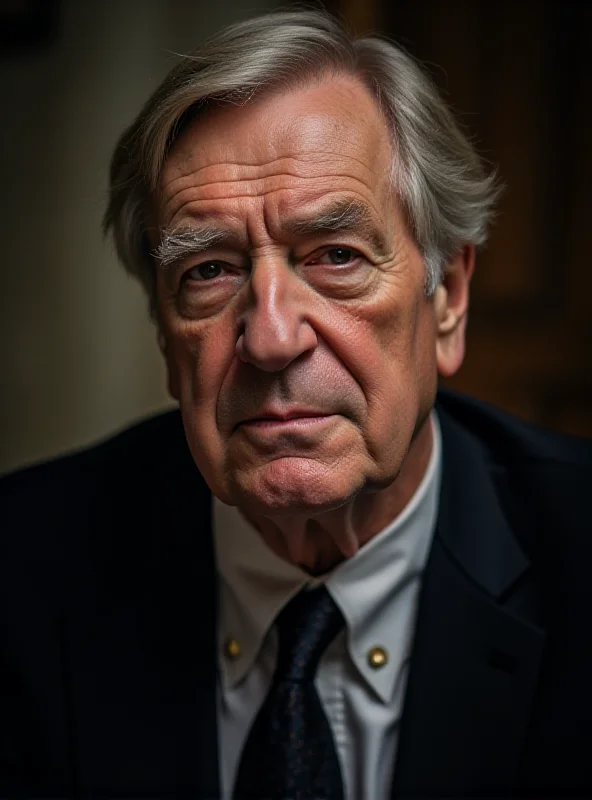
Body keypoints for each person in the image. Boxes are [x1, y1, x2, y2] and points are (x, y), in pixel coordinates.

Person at [1, 9, 591, 799]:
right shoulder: (21, 572)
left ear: (446, 297)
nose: (271, 337)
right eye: (208, 271)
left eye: (337, 256)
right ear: (166, 339)